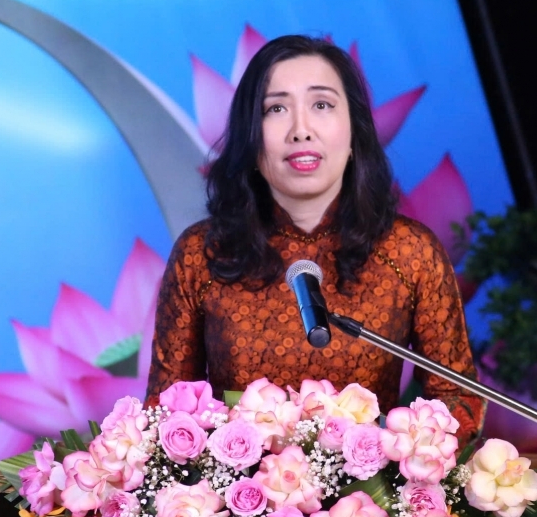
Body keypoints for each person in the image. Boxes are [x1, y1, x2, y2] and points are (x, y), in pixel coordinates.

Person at [145, 34, 484, 443]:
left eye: (321, 105)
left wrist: (399, 452)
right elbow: (166, 412)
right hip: (238, 483)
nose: (301, 130)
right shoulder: (202, 254)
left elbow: (458, 398)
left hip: (372, 482)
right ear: (251, 138)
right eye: (276, 108)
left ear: (355, 132)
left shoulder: (410, 251)